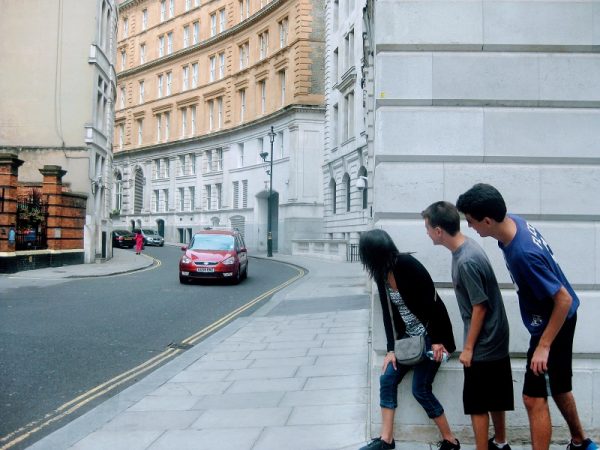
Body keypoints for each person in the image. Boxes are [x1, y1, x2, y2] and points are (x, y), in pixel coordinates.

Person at [456, 183, 598, 450]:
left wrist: (544, 346)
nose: (470, 227)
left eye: (472, 221)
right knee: (557, 386)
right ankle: (582, 442)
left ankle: (580, 442)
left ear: (488, 220)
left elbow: (563, 300)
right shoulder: (513, 224)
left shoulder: (523, 253)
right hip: (558, 319)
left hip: (554, 323)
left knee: (533, 399)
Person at [422, 201, 514, 450]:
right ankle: (501, 443)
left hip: (484, 341)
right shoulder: (467, 249)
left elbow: (480, 306)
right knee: (496, 395)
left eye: (428, 228)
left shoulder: (466, 261)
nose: (427, 232)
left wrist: (469, 348)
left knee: (477, 403)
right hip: (495, 335)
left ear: (439, 230)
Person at [358, 229, 460, 450]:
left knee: (420, 389)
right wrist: (390, 349)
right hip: (408, 341)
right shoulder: (380, 273)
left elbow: (434, 303)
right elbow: (387, 313)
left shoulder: (407, 264)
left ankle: (450, 440)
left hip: (433, 338)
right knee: (387, 378)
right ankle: (386, 440)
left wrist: (438, 340)